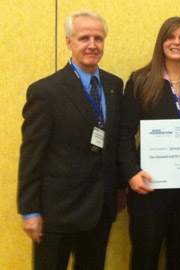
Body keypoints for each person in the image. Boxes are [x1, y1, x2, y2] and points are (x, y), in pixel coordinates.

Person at [17, 11, 124, 270]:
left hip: (100, 208)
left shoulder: (114, 85)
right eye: (84, 38)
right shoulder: (46, 91)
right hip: (58, 211)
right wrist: (29, 211)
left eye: (98, 38)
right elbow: (32, 154)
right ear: (69, 42)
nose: (92, 45)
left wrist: (119, 190)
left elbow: (114, 143)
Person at [118, 17, 180, 270]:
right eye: (170, 37)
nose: (176, 43)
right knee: (144, 256)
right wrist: (131, 174)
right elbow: (124, 133)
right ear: (161, 42)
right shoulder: (140, 80)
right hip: (148, 188)